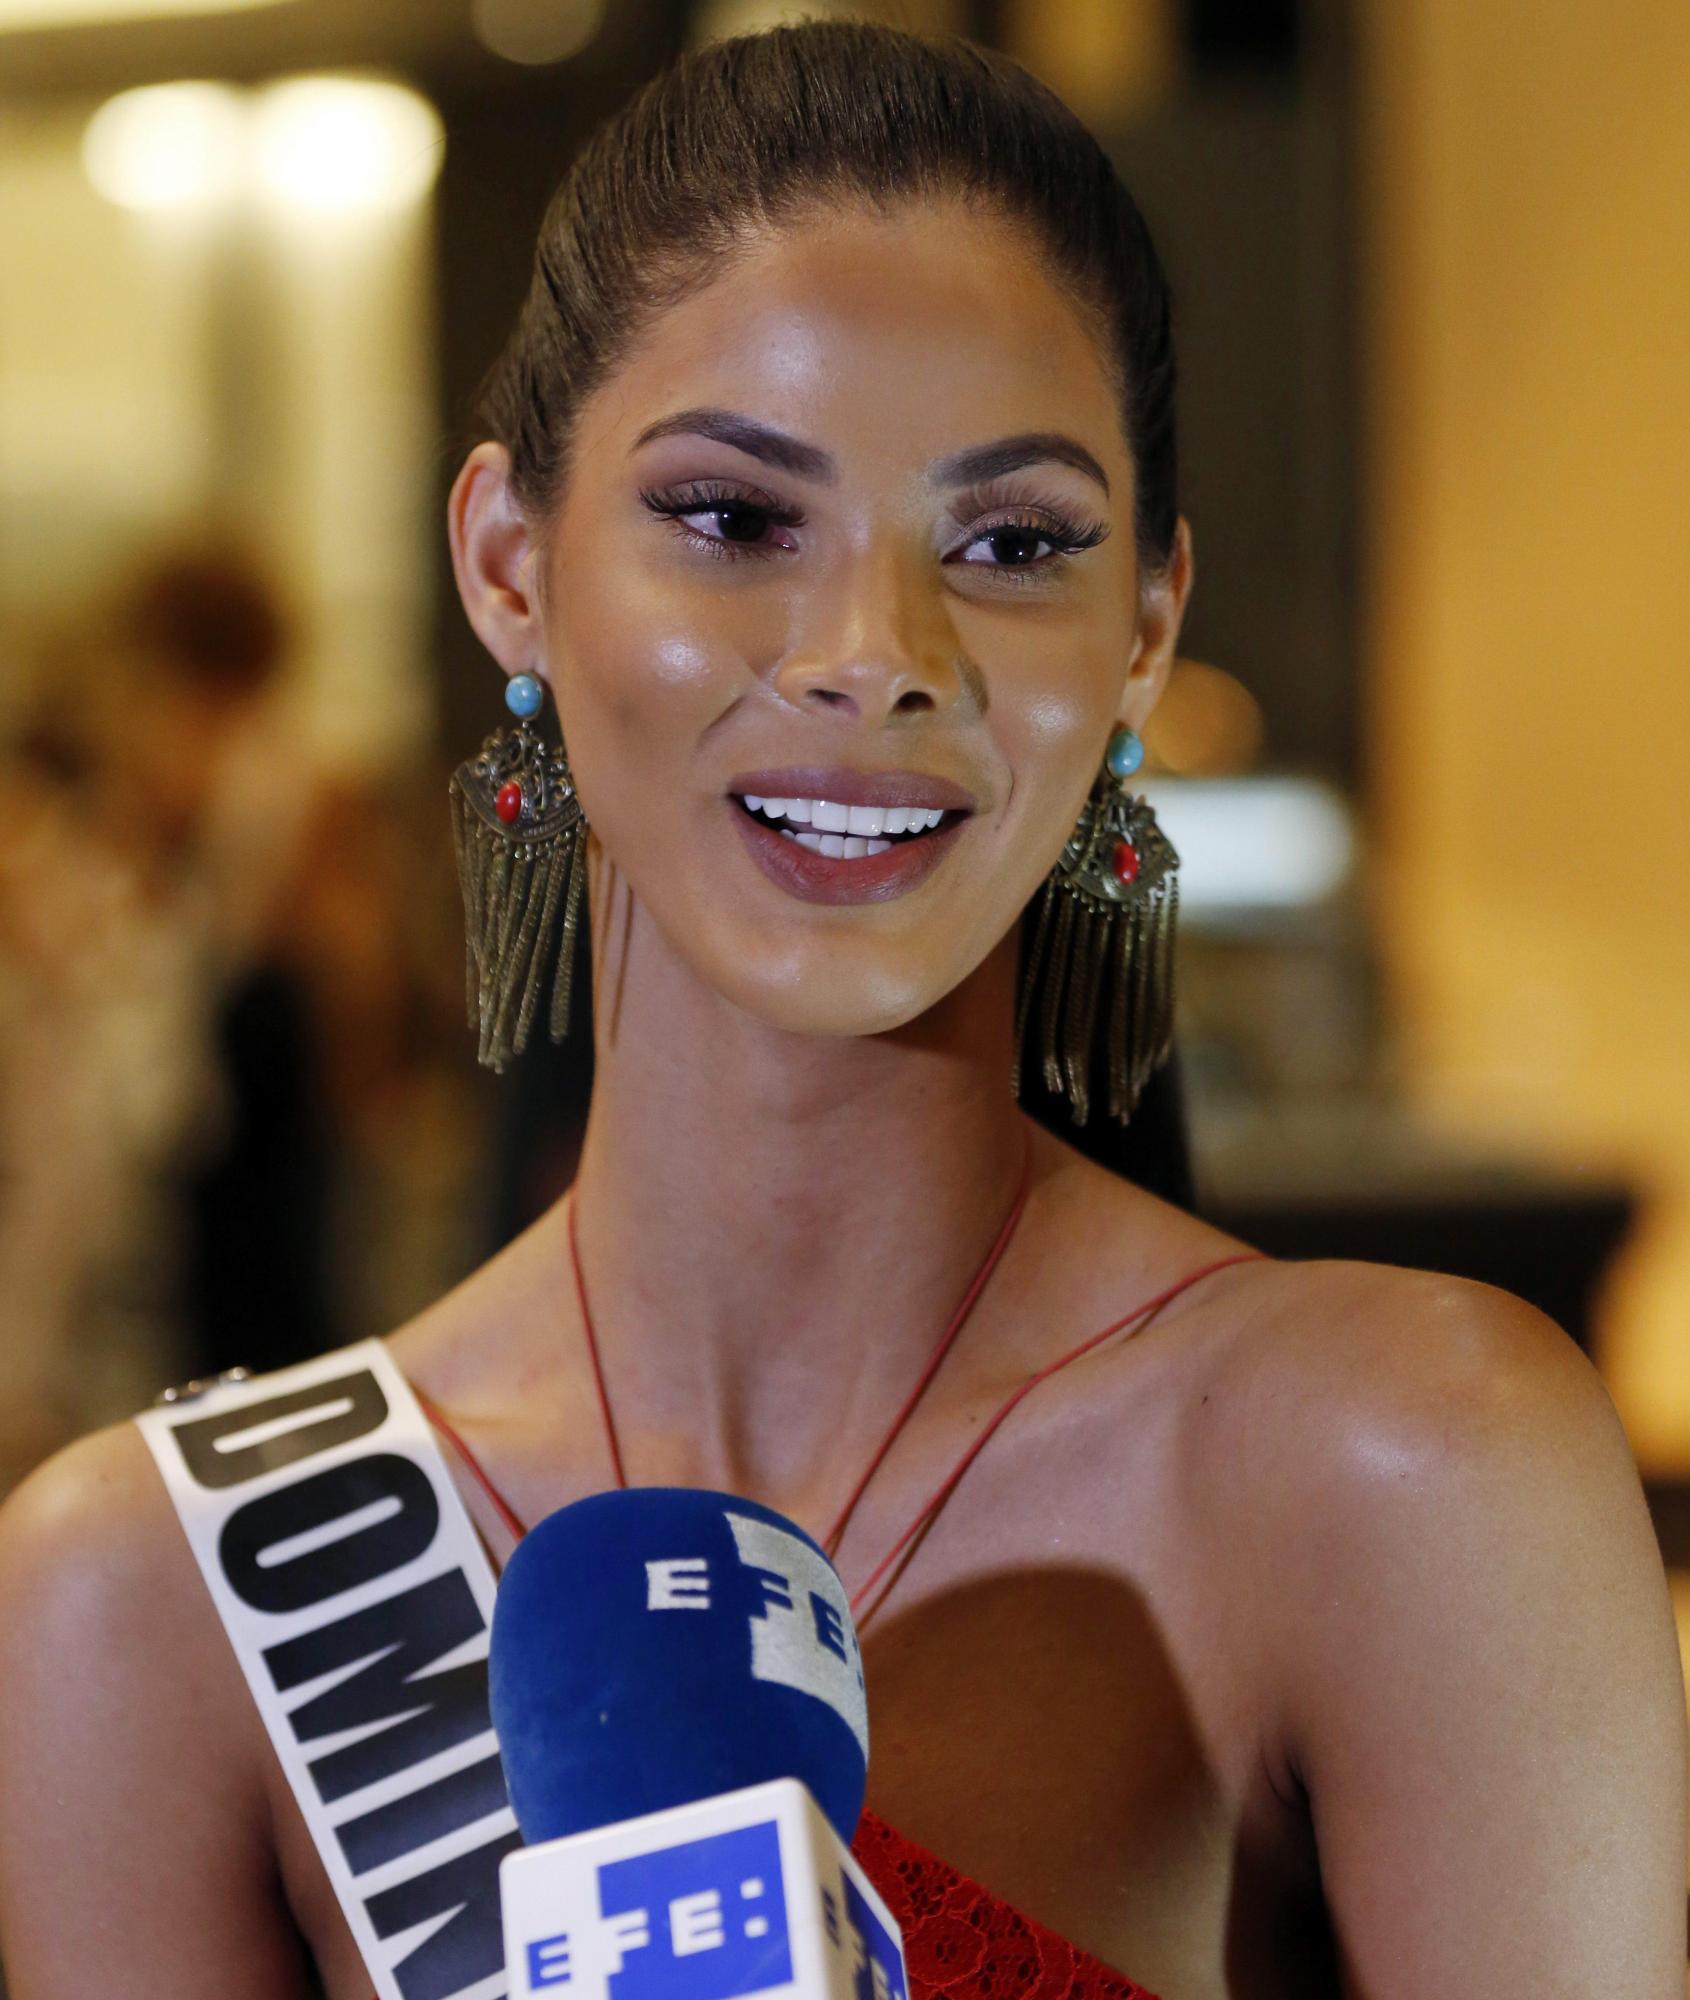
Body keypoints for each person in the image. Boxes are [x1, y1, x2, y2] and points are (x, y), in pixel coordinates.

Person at [0, 21, 1682, 2000]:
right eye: (730, 517)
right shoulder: (155, 1596)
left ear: (1141, 627)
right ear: (509, 565)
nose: (872, 654)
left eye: (1011, 542)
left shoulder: (1402, 1470)